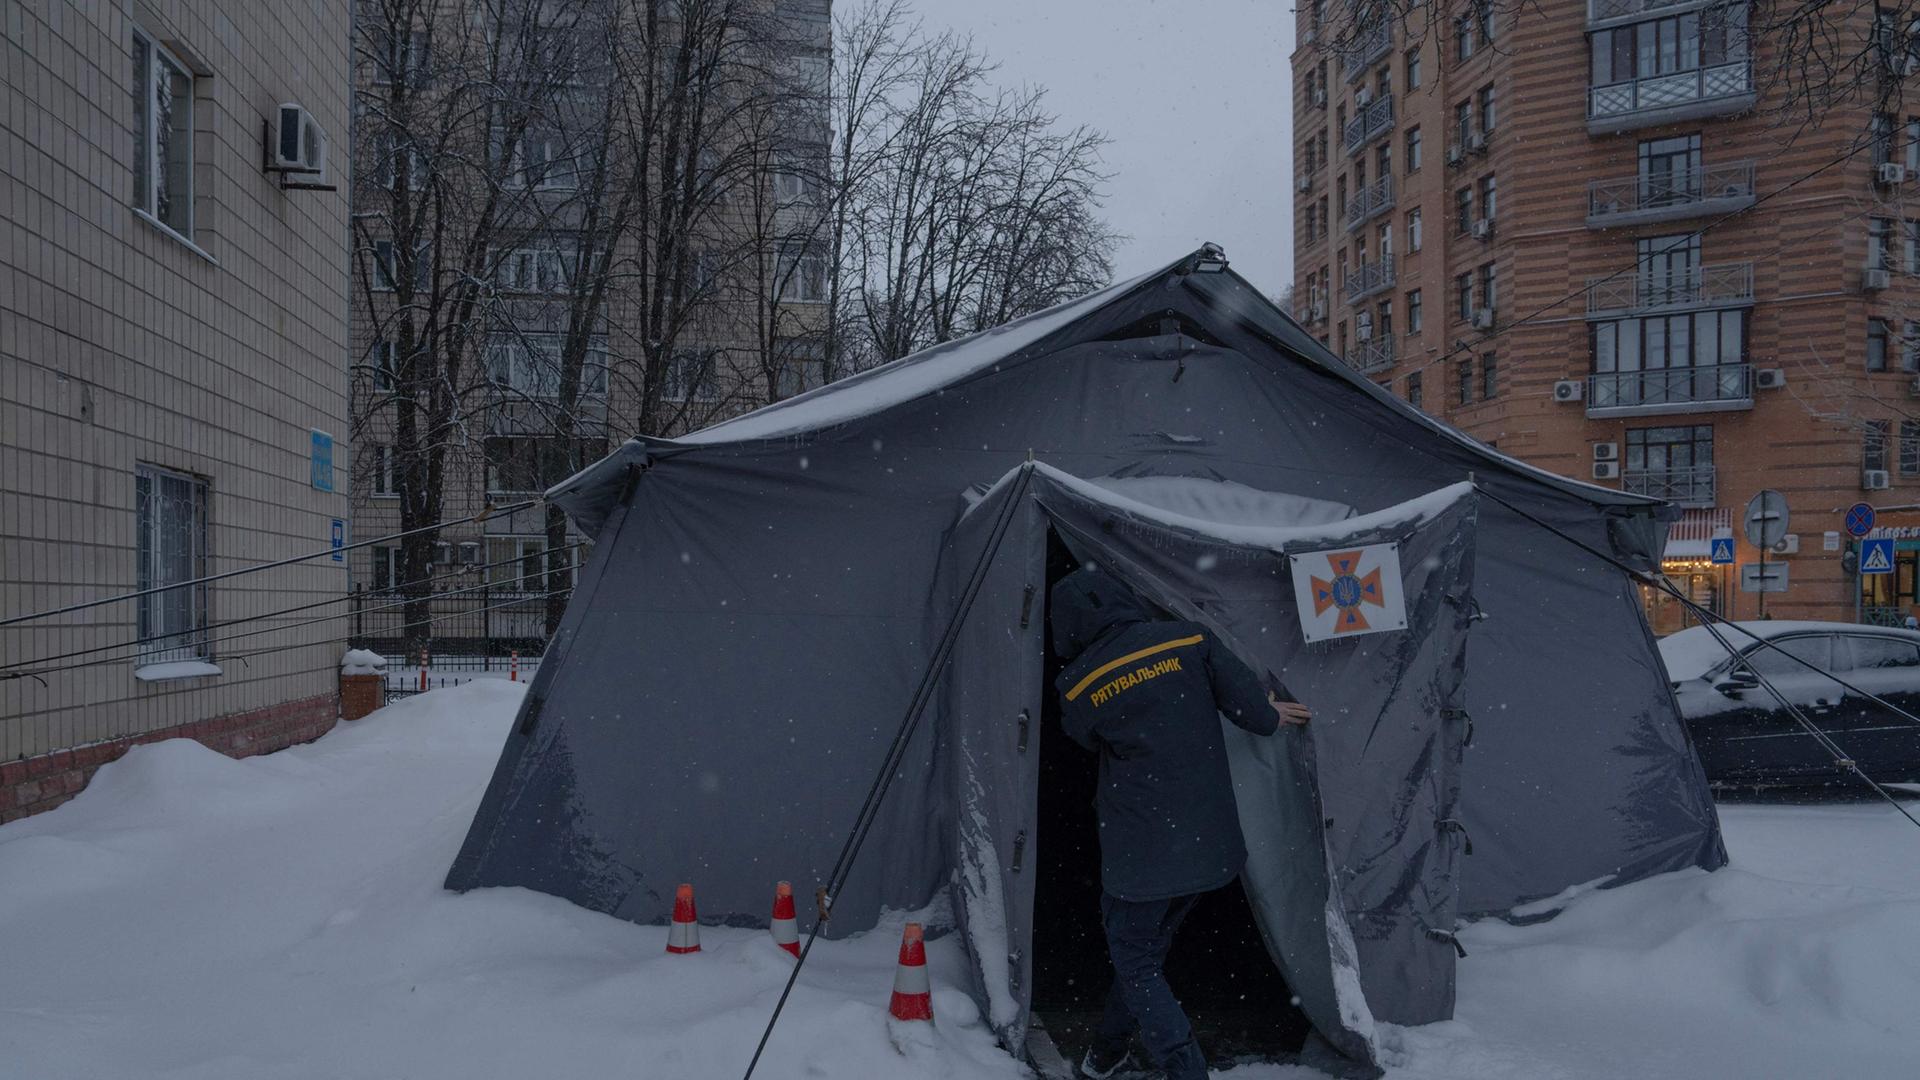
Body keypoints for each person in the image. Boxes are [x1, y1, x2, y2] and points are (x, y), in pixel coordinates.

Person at [1049, 565, 1311, 1080]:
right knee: (1146, 955)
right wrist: (1275, 712)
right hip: (1210, 844)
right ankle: (1106, 1053)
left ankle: (1185, 1069)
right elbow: (1254, 715)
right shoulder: (1188, 638)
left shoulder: (1076, 687)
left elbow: (1083, 740)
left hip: (1141, 853)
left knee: (1138, 962)